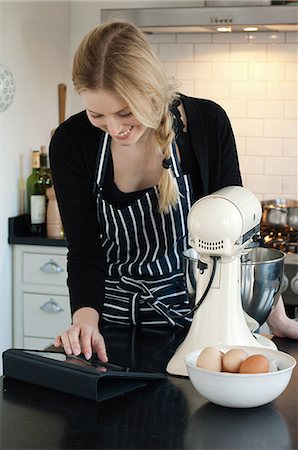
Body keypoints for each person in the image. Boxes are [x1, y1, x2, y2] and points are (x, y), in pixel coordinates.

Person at [50, 20, 298, 362]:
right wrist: (85, 322)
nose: (116, 129)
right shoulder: (71, 141)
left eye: (126, 112)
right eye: (98, 116)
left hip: (202, 326)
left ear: (151, 91)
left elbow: (240, 233)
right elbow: (85, 252)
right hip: (115, 331)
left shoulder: (207, 123)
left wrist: (277, 317)